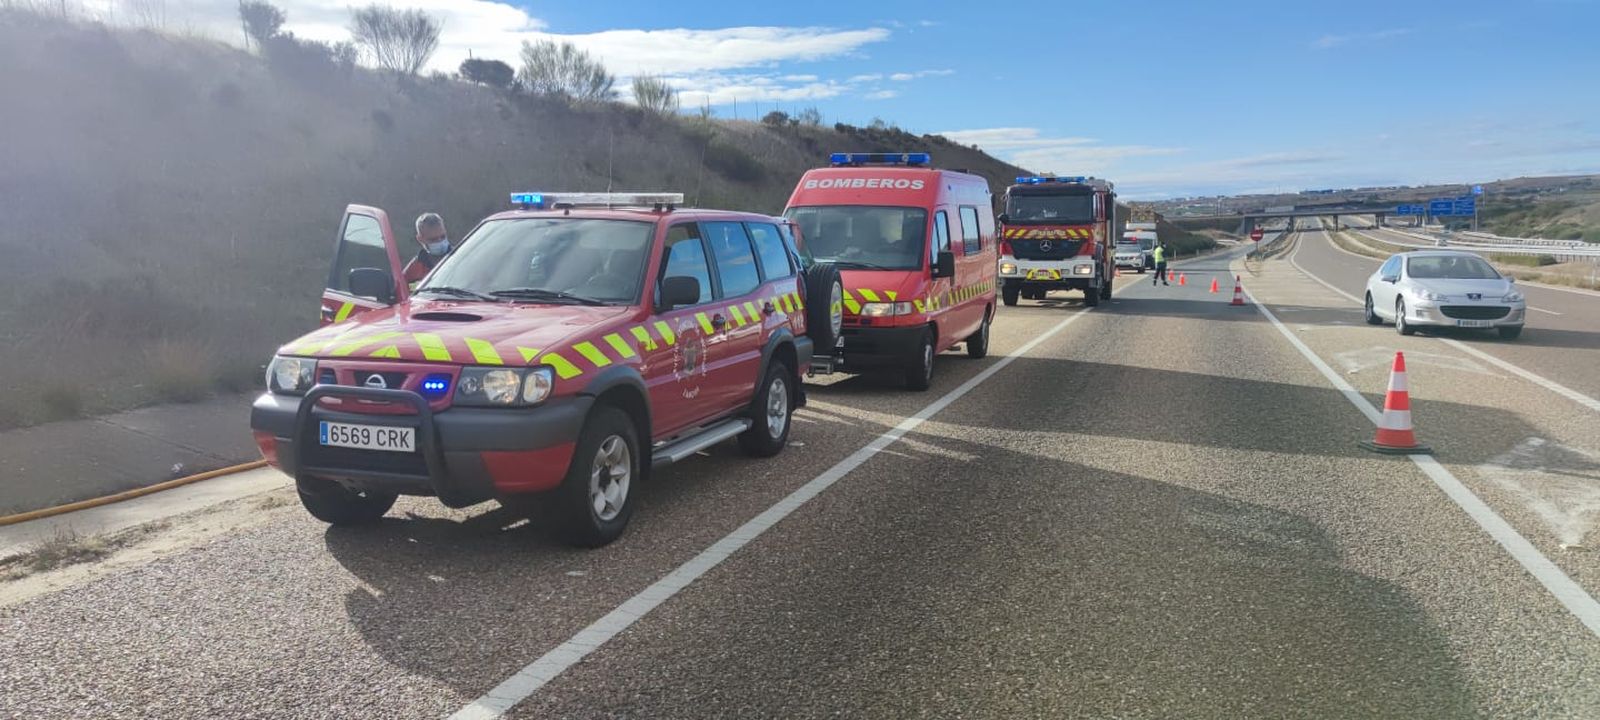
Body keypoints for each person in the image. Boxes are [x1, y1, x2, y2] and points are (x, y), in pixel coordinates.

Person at [403, 212, 452, 286]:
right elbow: (404, 291)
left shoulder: (461, 259)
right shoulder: (413, 270)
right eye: (433, 239)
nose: (440, 241)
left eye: (443, 236)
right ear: (420, 239)